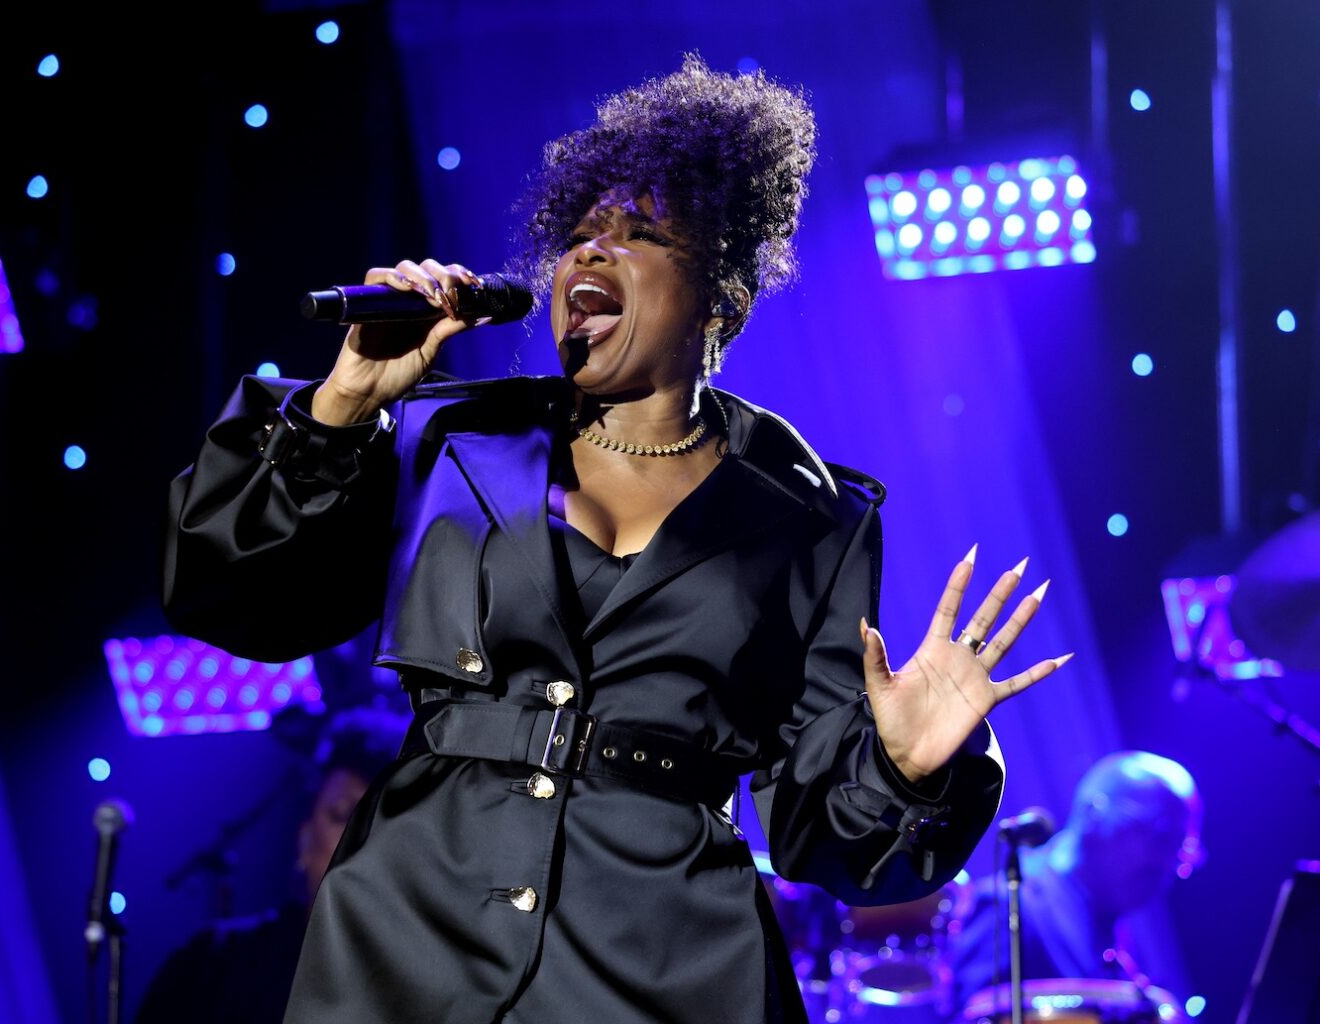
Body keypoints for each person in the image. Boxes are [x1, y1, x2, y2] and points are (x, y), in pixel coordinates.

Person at [162, 56, 1070, 1024]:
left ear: (723, 299)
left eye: (638, 236)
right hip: (411, 938)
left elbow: (828, 838)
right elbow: (234, 599)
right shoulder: (439, 438)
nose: (590, 256)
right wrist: (341, 407)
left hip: (667, 960)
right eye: (581, 234)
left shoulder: (810, 518)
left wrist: (904, 766)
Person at [134, 708, 407, 1024]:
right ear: (304, 839)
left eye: (382, 823)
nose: (361, 841)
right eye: (343, 816)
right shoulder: (214, 965)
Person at [948, 751, 1203, 1018]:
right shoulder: (1008, 905)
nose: (1165, 863)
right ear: (1095, 812)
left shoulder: (1116, 945)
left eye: (1181, 851)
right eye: (1159, 834)